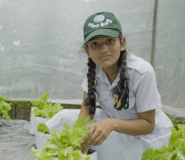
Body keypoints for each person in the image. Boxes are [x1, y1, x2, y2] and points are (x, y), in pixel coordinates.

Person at [45, 12, 173, 160]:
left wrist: (111, 124)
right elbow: (87, 109)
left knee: (114, 148)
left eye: (110, 41)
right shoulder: (95, 71)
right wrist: (81, 142)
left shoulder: (141, 72)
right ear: (88, 51)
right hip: (113, 123)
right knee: (65, 117)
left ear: (122, 43)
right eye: (95, 44)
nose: (103, 49)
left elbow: (148, 124)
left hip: (144, 134)